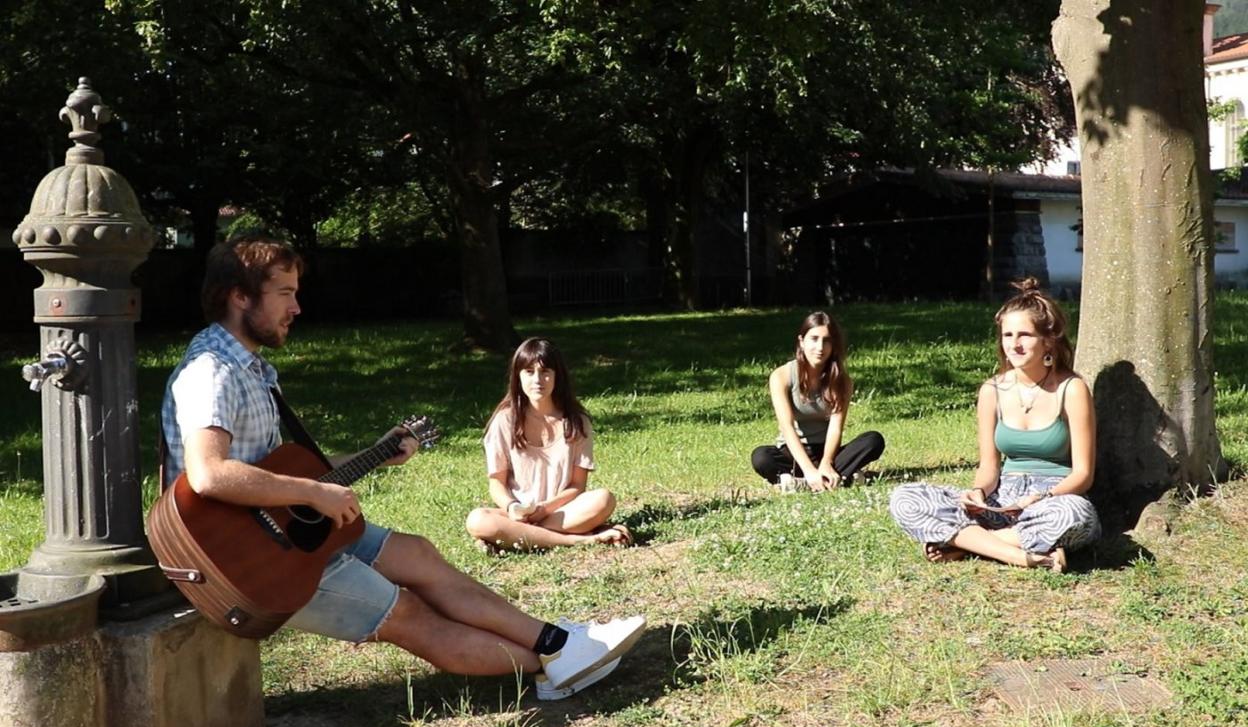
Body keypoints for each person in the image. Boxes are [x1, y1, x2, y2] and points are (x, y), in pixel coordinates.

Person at [160, 236, 644, 700]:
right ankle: (554, 662)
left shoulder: (252, 371)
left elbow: (286, 471)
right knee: (409, 613)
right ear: (240, 296)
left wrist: (372, 454)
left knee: (419, 556)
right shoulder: (212, 372)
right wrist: (314, 494)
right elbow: (209, 474)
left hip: (289, 532)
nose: (297, 307)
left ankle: (559, 642)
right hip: (251, 565)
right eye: (285, 293)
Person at [888, 277, 1101, 572]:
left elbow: (1083, 474)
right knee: (905, 498)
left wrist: (1039, 498)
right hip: (1002, 498)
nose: (1014, 344)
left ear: (1048, 340)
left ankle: (966, 545)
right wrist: (978, 492)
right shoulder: (992, 390)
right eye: (1007, 335)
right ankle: (1019, 554)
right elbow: (989, 466)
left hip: (1053, 497)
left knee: (1076, 516)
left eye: (1024, 335)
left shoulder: (1072, 389)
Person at [466, 338, 631, 551]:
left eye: (545, 372)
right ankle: (581, 538)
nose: (537, 380)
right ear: (518, 377)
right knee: (477, 520)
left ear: (557, 376)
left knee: (604, 499)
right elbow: (497, 483)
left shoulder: (577, 422)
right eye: (529, 372)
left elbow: (577, 485)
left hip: (561, 512)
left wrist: (544, 510)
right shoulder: (504, 421)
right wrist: (512, 507)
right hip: (516, 514)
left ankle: (514, 536)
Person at [750, 311, 885, 491]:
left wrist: (826, 463)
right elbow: (787, 427)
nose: (820, 347)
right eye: (814, 339)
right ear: (801, 341)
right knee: (761, 457)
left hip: (827, 451)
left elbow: (836, 428)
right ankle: (838, 479)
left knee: (873, 440)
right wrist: (808, 470)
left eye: (826, 340)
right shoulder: (781, 376)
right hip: (793, 452)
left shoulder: (842, 381)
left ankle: (801, 483)